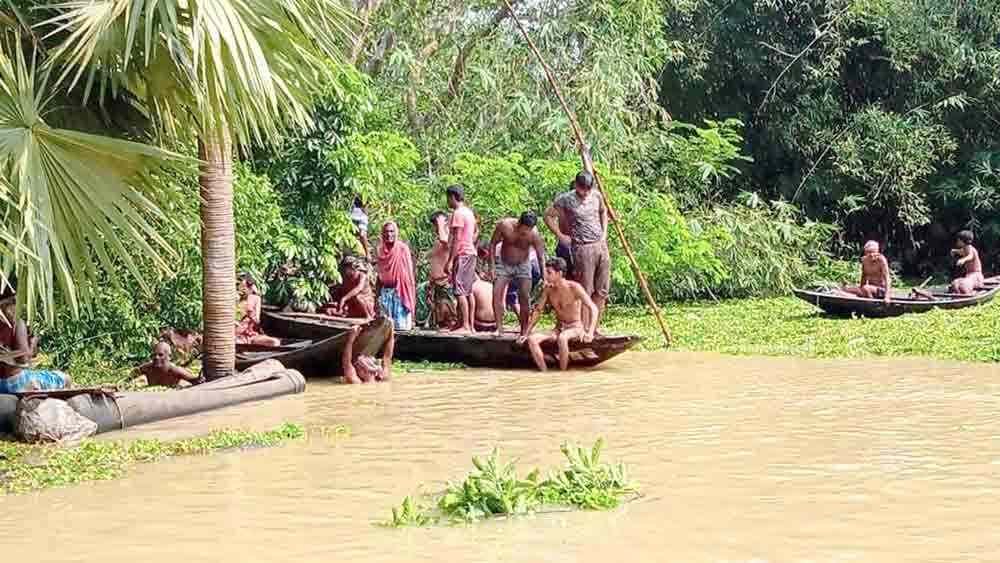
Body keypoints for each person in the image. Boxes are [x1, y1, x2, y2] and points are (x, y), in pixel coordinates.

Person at [544, 171, 609, 332]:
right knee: (585, 290)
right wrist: (560, 235)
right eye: (582, 189)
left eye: (588, 189)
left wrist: (604, 234)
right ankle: (584, 328)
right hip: (582, 247)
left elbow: (603, 211)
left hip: (600, 245)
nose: (585, 192)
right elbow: (548, 216)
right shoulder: (566, 199)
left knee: (602, 290)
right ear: (577, 186)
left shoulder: (596, 196)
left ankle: (594, 327)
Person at [523, 257, 599, 372]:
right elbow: (538, 311)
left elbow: (593, 308)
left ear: (559, 273)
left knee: (563, 338)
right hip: (559, 328)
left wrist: (590, 332)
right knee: (532, 339)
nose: (546, 276)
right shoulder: (548, 289)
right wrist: (526, 332)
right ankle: (545, 373)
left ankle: (563, 374)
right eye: (546, 272)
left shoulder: (574, 287)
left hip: (575, 328)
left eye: (549, 273)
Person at [488, 211, 546, 337]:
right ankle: (499, 328)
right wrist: (492, 266)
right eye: (524, 230)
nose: (525, 233)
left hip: (523, 265)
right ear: (519, 223)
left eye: (529, 230)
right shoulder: (505, 226)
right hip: (504, 264)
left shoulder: (534, 235)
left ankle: (524, 330)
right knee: (496, 292)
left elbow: (541, 257)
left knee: (524, 296)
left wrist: (544, 277)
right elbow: (492, 244)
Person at [0, 291, 71, 394]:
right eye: (15, 302)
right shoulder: (17, 323)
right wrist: (33, 343)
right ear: (7, 305)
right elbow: (23, 359)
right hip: (16, 382)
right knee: (64, 378)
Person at [445, 185, 478, 333]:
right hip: (471, 253)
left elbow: (457, 238)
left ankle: (465, 325)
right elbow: (475, 232)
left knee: (460, 291)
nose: (447, 201)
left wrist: (451, 260)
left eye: (448, 198)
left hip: (463, 254)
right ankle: (467, 324)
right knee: (468, 290)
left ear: (452, 197)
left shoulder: (458, 213)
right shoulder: (469, 212)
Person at [376, 221, 416, 331]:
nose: (389, 234)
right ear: (382, 234)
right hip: (385, 293)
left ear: (396, 233)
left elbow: (409, 273)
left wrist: (410, 295)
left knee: (401, 328)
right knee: (384, 329)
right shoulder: (380, 250)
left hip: (400, 292)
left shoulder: (402, 248)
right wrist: (376, 296)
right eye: (386, 232)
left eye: (391, 231)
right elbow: (379, 274)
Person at [421, 211, 458, 329]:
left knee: (449, 315)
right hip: (436, 284)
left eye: (436, 224)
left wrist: (441, 222)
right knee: (440, 317)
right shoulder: (437, 242)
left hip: (445, 283)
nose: (436, 228)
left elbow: (444, 239)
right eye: (435, 225)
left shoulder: (448, 239)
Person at [340, 319, 395, 384]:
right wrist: (391, 330)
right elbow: (387, 357)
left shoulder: (356, 381)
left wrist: (351, 338)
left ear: (364, 371)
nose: (355, 366)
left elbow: (346, 362)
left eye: (357, 365)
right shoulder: (383, 377)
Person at [235, 274, 282, 347]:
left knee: (275, 342)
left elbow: (257, 320)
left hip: (250, 334)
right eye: (241, 287)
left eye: (245, 287)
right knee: (237, 343)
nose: (242, 290)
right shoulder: (234, 299)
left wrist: (250, 314)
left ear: (250, 287)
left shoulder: (255, 299)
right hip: (234, 336)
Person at [132, 341, 203, 388]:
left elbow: (195, 380)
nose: (156, 358)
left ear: (169, 357)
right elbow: (128, 378)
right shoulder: (147, 368)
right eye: (154, 355)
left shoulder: (175, 370)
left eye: (160, 355)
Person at [350, 195, 370, 260]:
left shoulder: (348, 212)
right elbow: (362, 234)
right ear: (365, 205)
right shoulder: (362, 216)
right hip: (352, 247)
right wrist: (368, 253)